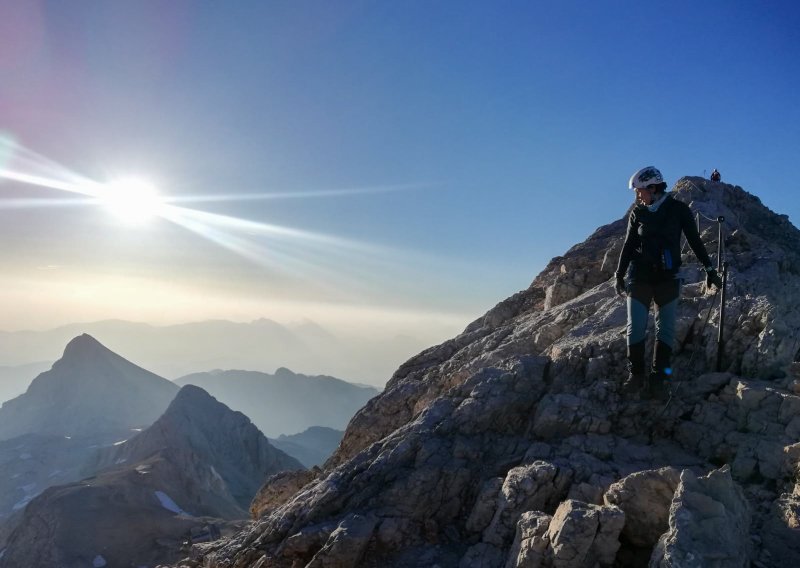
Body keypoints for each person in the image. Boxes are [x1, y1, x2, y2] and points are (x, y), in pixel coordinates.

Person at [614, 166, 723, 400]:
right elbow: (628, 244)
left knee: (666, 330)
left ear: (653, 188)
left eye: (640, 191)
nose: (637, 196)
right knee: (636, 326)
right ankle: (636, 376)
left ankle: (659, 379)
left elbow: (694, 241)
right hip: (640, 276)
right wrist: (619, 274)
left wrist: (710, 269)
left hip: (668, 277)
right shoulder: (638, 213)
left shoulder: (679, 210)